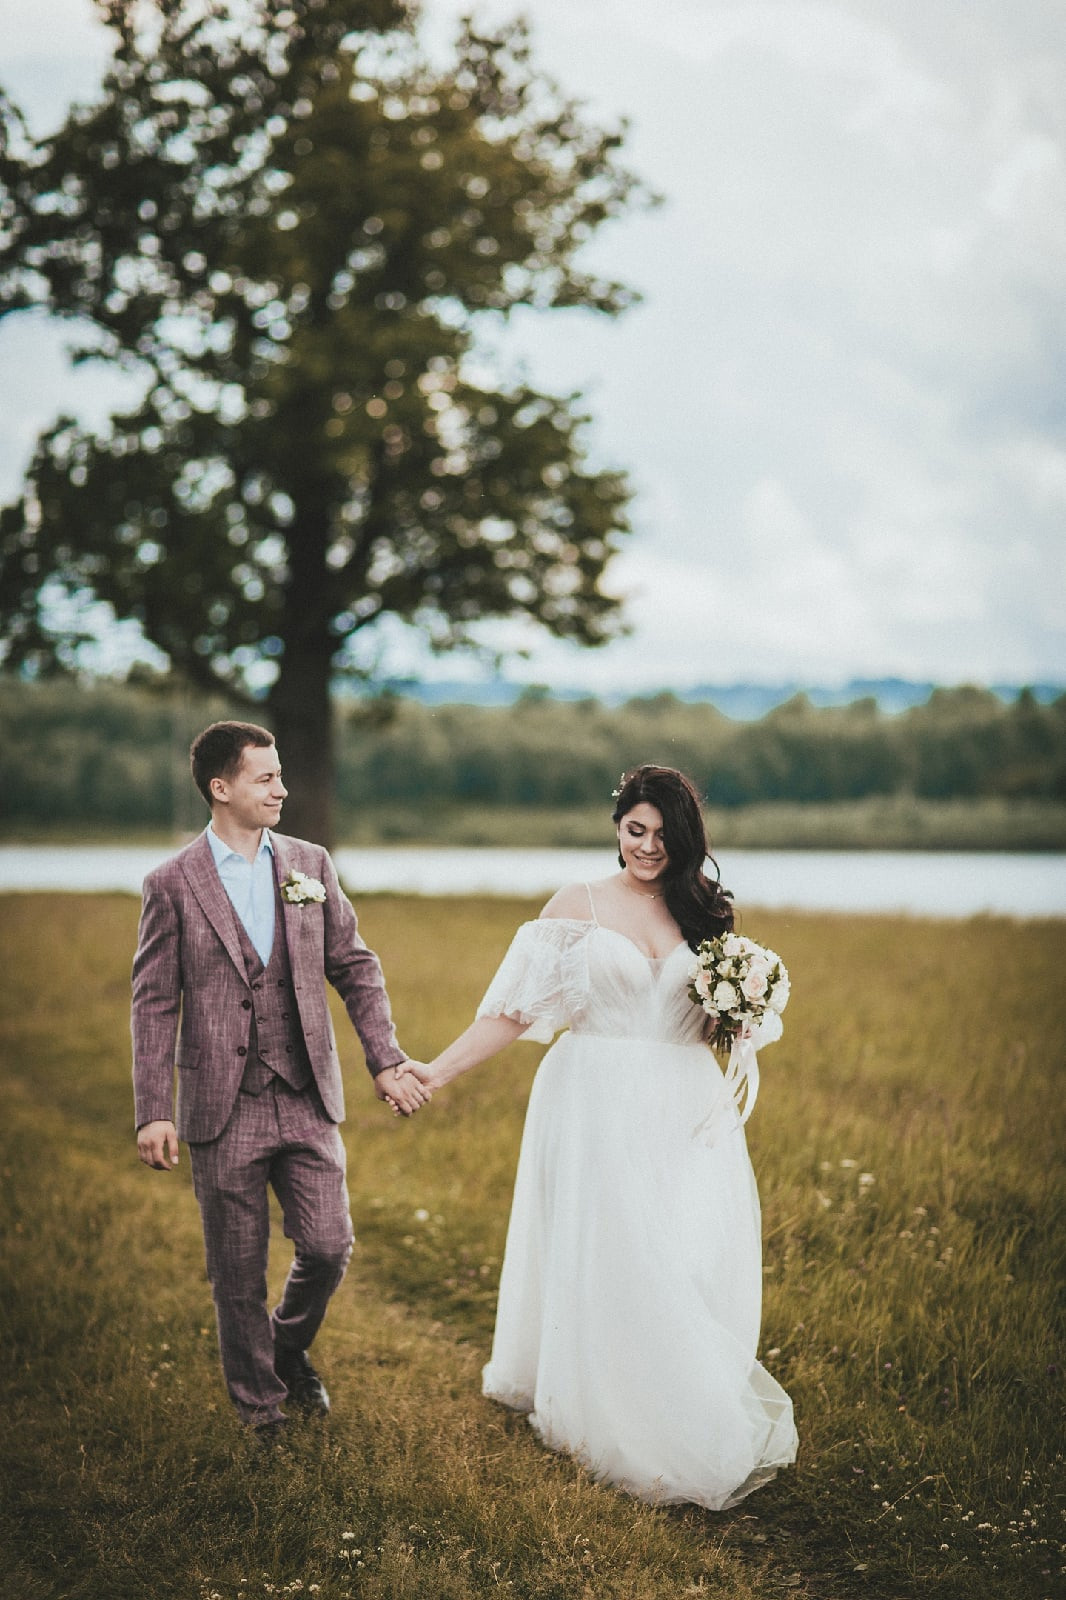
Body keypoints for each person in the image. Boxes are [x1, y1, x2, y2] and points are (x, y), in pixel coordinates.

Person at [402, 764, 798, 1509]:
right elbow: (513, 1011)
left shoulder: (706, 911)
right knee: (610, 1247)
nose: (646, 846)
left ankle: (675, 1394)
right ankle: (602, 1410)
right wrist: (437, 1070)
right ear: (617, 827)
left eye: (662, 833)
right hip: (591, 1097)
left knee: (677, 1252)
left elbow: (717, 1028)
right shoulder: (576, 903)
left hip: (683, 1103)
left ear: (687, 837)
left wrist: (740, 1011)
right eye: (634, 829)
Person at [132, 720, 428, 1437]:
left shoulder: (309, 865)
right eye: (266, 778)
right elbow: (154, 999)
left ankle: (284, 1347)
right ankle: (260, 1417)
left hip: (304, 1095)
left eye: (281, 774)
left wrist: (385, 1058)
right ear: (221, 787)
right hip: (219, 1106)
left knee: (328, 1245)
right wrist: (153, 1108)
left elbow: (355, 966)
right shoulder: (170, 883)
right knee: (236, 1273)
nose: (282, 789)